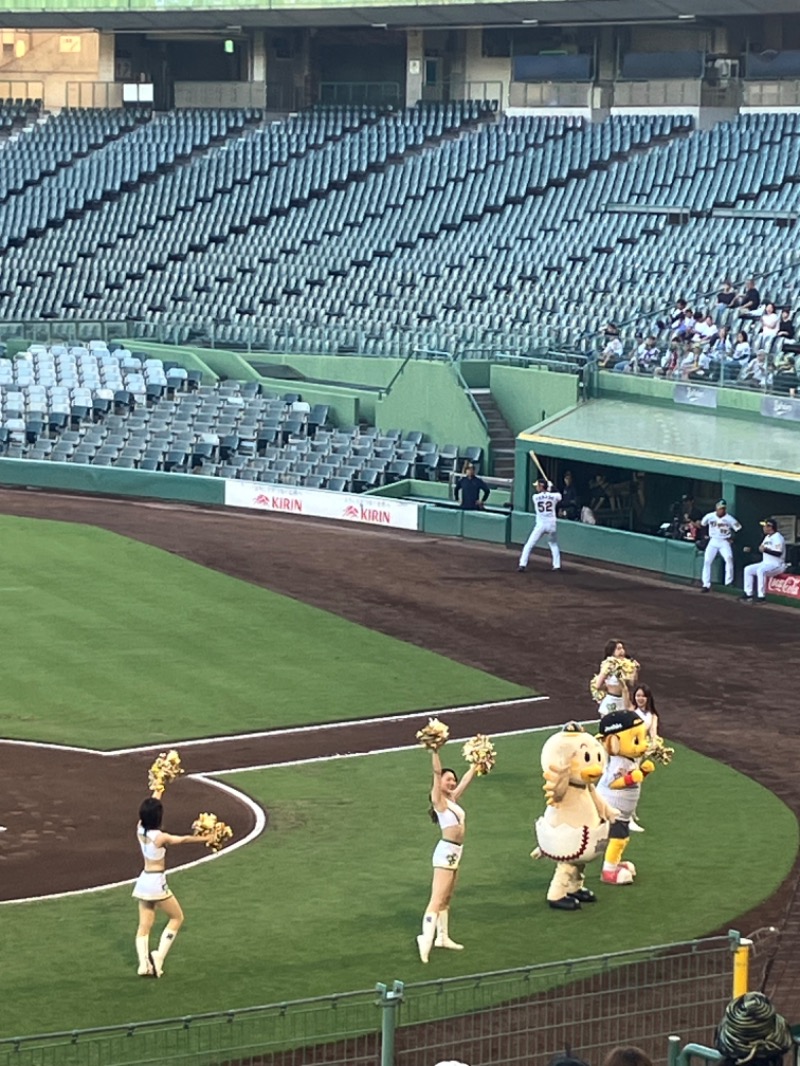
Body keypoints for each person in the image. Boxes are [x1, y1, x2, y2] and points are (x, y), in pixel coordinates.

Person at [133, 793, 213, 978]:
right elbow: (183, 839)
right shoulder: (160, 837)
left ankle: (144, 965)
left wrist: (158, 790)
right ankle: (159, 957)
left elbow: (149, 811)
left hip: (143, 881)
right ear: (158, 818)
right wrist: (206, 838)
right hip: (156, 882)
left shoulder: (139, 829)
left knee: (144, 925)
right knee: (177, 918)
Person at [417, 746, 477, 963]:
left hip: (456, 852)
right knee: (437, 898)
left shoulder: (451, 799)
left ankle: (442, 937)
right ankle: (425, 939)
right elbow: (435, 772)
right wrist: (434, 751)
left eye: (453, 780)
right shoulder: (439, 800)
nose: (451, 783)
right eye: (448, 779)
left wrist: (476, 764)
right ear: (440, 782)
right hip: (445, 852)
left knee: (447, 897)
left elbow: (466, 782)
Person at [518, 476, 562, 572]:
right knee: (553, 544)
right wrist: (552, 487)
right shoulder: (554, 496)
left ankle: (522, 564)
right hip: (551, 525)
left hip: (541, 525)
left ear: (541, 486)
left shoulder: (535, 497)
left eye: (537, 486)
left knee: (529, 544)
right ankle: (557, 565)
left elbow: (545, 496)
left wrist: (548, 488)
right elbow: (559, 495)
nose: (536, 488)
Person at [741, 518, 786, 603]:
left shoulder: (778, 537)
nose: (764, 528)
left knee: (761, 571)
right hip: (766, 563)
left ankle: (761, 597)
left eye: (766, 526)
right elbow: (761, 550)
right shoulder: (767, 537)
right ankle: (748, 594)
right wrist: (751, 549)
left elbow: (778, 553)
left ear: (771, 527)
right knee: (748, 569)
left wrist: (766, 550)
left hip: (777, 565)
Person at [700, 498, 742, 592]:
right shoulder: (709, 516)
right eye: (720, 508)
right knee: (707, 561)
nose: (721, 510)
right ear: (716, 508)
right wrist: (704, 536)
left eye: (723, 508)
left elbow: (739, 529)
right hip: (713, 541)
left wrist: (733, 539)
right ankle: (706, 584)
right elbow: (703, 525)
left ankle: (728, 583)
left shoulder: (729, 519)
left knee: (729, 558)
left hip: (724, 541)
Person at [592, 639, 637, 717]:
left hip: (624, 700)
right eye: (618, 649)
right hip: (611, 701)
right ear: (612, 651)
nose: (622, 651)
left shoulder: (627, 665)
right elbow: (598, 685)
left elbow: (631, 683)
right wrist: (608, 687)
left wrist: (635, 669)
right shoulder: (608, 665)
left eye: (622, 648)